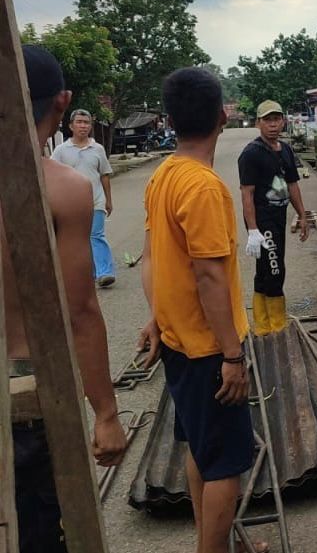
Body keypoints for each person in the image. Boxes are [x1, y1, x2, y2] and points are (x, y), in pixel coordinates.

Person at [5, 46, 126, 552]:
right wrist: (105, 413)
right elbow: (79, 312)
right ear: (62, 103)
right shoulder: (63, 190)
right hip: (30, 397)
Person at [137, 68, 255, 553]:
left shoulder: (163, 175)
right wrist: (232, 354)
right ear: (223, 116)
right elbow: (208, 277)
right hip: (209, 350)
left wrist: (156, 318)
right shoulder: (203, 188)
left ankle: (212, 543)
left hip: (178, 341)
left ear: (168, 120)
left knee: (199, 450)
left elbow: (151, 258)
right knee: (226, 463)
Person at [239, 100, 310, 335]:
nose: (273, 124)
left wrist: (302, 215)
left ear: (283, 121)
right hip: (263, 221)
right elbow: (247, 194)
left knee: (266, 271)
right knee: (274, 269)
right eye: (267, 120)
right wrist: (252, 230)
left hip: (279, 217)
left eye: (277, 119)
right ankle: (276, 325)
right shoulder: (251, 154)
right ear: (258, 123)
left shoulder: (286, 150)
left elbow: (292, 185)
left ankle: (261, 324)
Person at [52, 108, 116, 287]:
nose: (83, 126)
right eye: (79, 122)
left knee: (96, 236)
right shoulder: (61, 150)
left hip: (95, 201)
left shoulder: (97, 149)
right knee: (78, 240)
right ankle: (89, 273)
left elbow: (104, 175)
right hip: (71, 204)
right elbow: (53, 175)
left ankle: (105, 273)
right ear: (71, 126)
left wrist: (108, 200)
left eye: (86, 123)